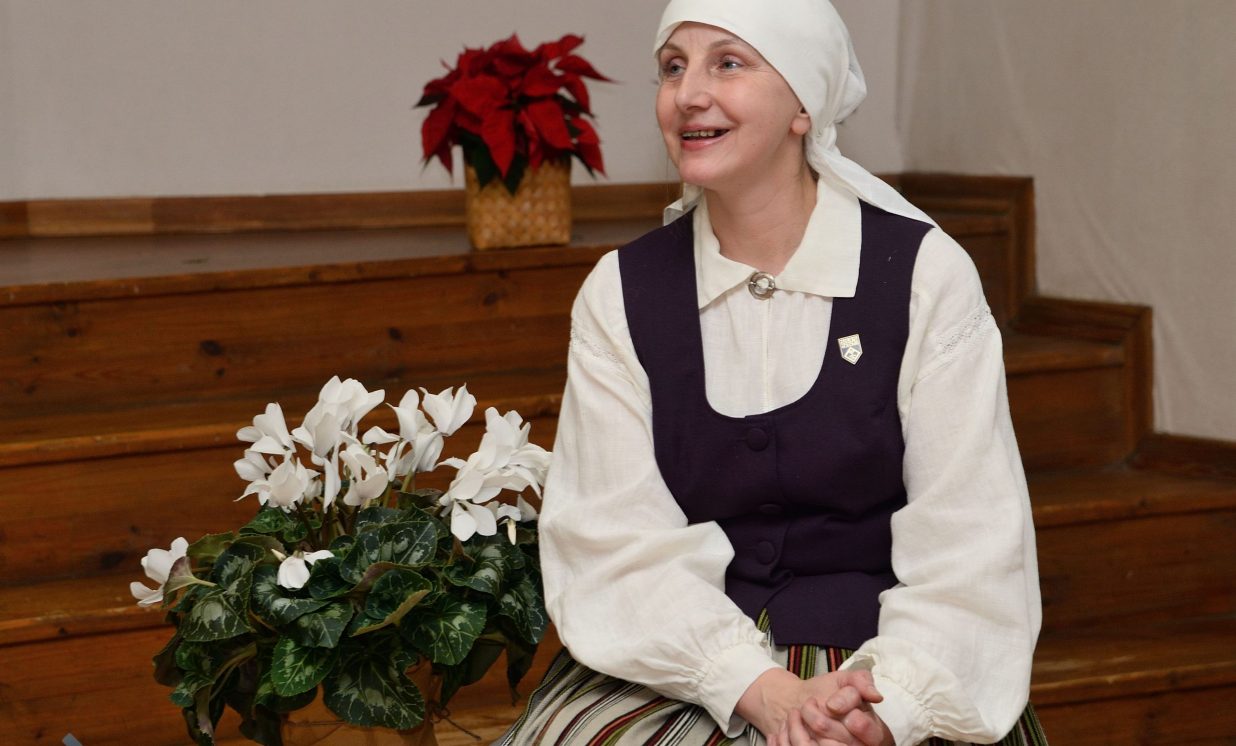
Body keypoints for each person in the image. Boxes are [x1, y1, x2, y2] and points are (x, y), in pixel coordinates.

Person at [498, 0, 1047, 744]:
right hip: (684, 664)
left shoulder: (925, 276)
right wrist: (756, 687)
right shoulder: (620, 292)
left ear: (804, 105)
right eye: (673, 67)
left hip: (886, 662)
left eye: (728, 62)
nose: (689, 93)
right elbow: (611, 541)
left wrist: (887, 709)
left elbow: (972, 544)